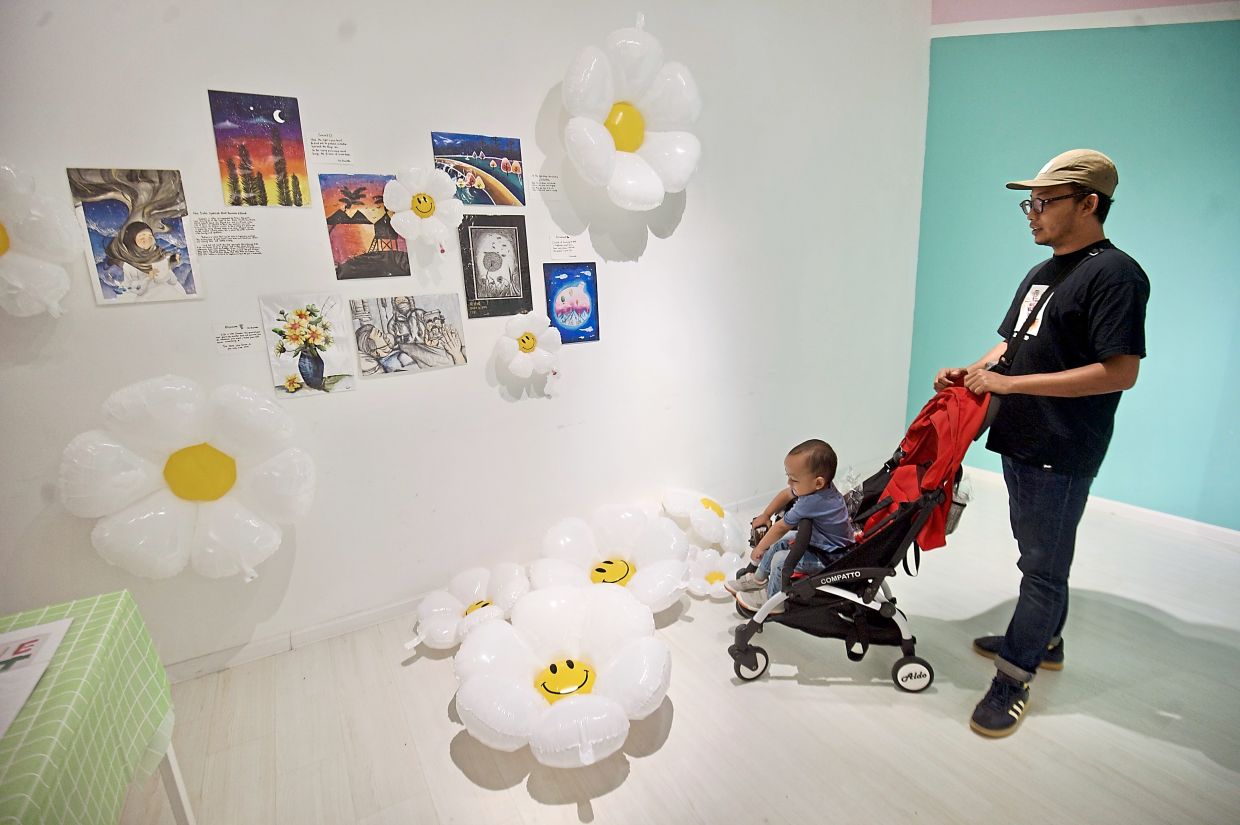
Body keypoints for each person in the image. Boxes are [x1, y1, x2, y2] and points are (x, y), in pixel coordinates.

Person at [933, 149, 1149, 737]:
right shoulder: (1043, 272)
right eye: (1029, 202)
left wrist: (1009, 384)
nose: (1032, 212)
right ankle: (1045, 639)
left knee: (1043, 570)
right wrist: (970, 370)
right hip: (1023, 439)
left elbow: (1119, 371)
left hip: (1064, 446)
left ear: (1089, 204)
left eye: (1044, 202)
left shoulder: (1115, 274)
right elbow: (1009, 346)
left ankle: (1014, 676)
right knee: (1038, 558)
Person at [724, 439, 855, 614]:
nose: (789, 483)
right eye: (788, 476)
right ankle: (758, 579)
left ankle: (773, 601)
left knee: (780, 560)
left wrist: (760, 548)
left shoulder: (814, 501)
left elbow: (780, 528)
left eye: (793, 479)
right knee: (783, 542)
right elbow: (786, 494)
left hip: (831, 558)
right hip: (818, 543)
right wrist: (765, 515)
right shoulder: (817, 489)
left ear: (818, 483)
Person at [110, 222, 188, 302]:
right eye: (142, 237)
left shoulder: (158, 255)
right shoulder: (130, 265)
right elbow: (130, 288)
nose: (147, 240)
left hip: (169, 294)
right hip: (149, 299)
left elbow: (172, 280)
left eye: (150, 236)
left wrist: (170, 265)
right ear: (132, 240)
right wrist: (148, 278)